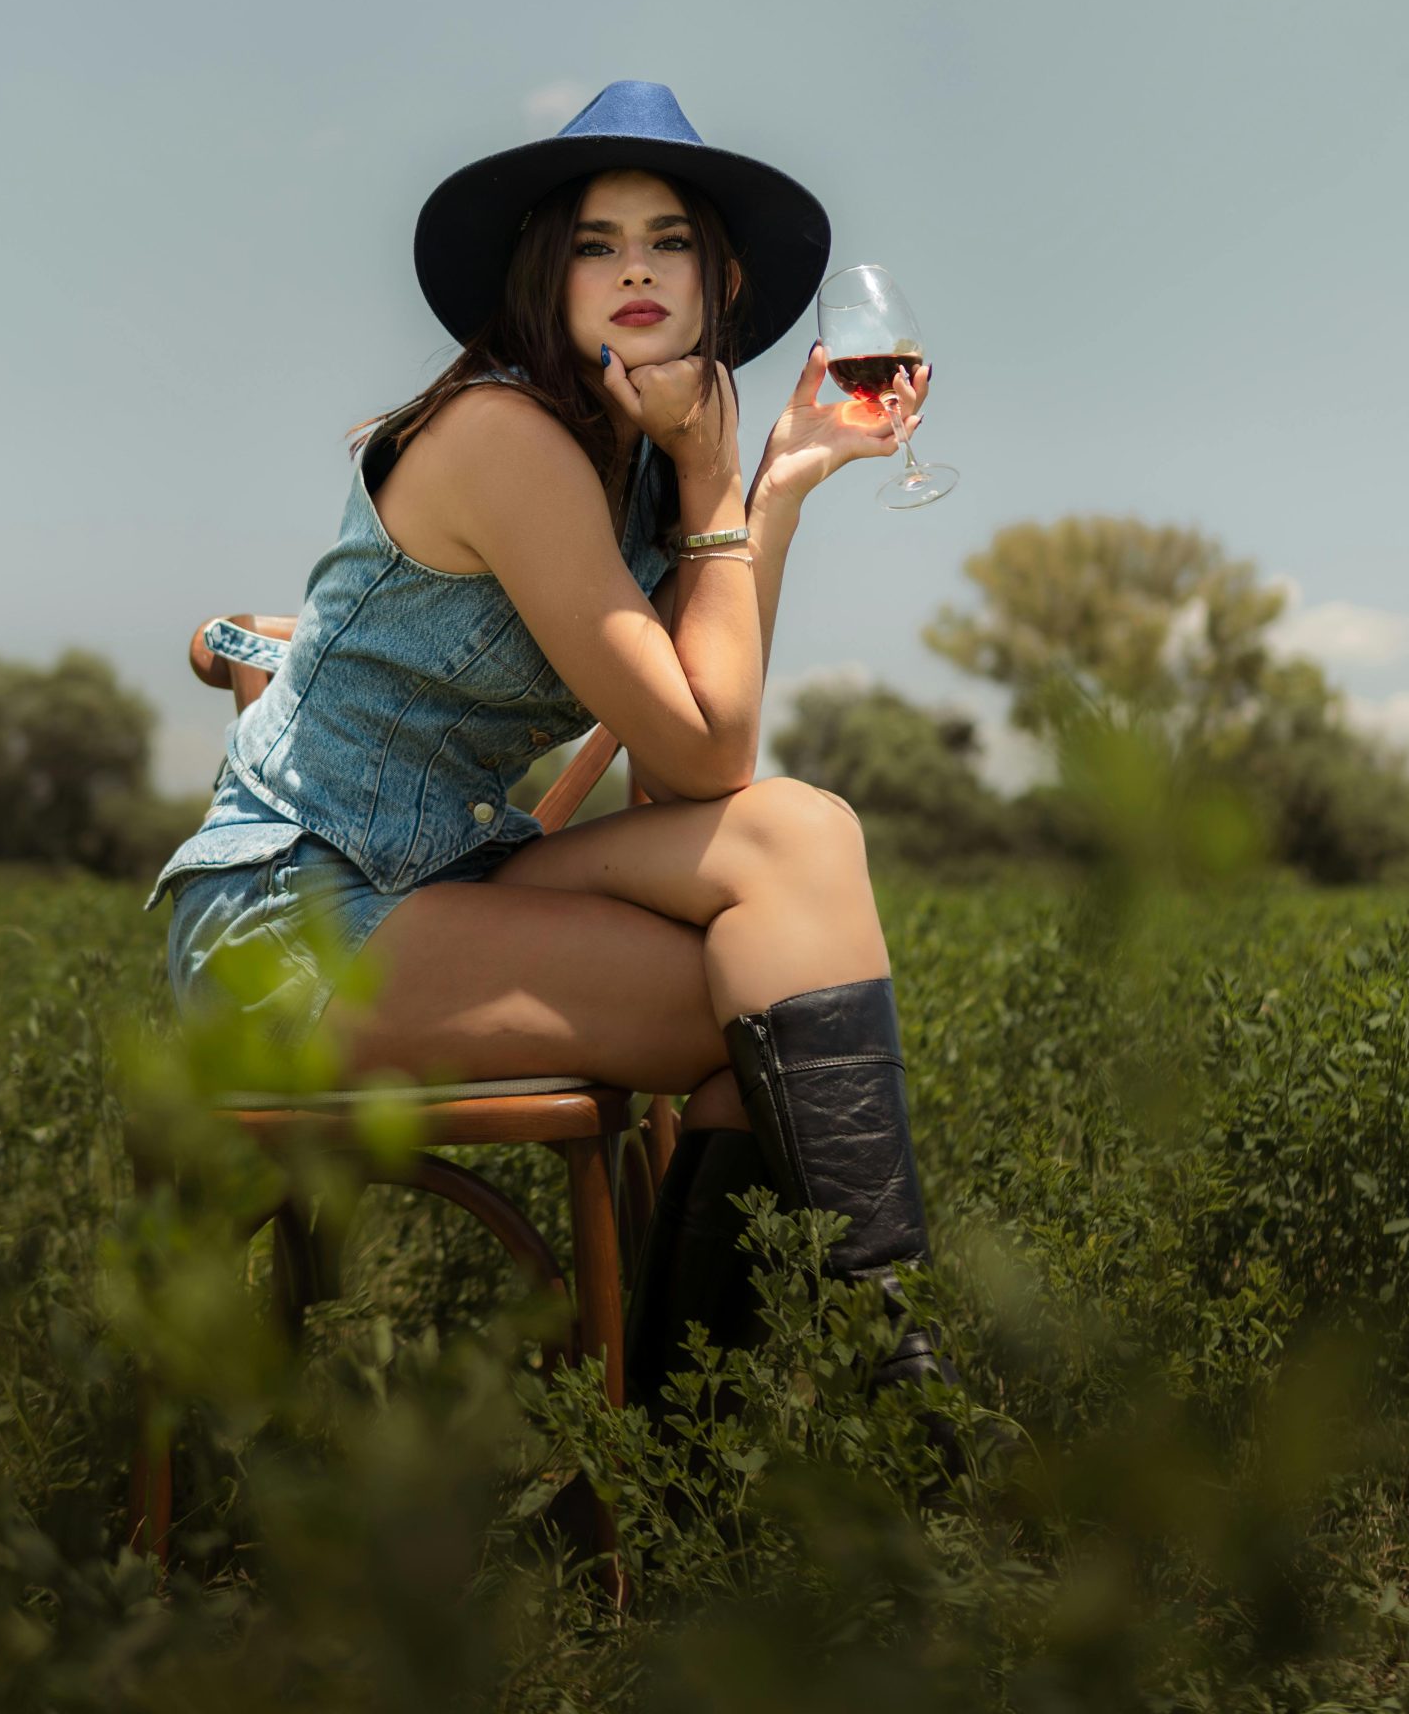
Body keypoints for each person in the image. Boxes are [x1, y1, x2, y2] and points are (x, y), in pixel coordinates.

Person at [145, 79, 951, 1413]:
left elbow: (690, 765)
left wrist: (777, 485)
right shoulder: (506, 436)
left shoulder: (636, 471)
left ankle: (846, 1389)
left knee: (801, 841)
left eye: (669, 240)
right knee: (759, 1012)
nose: (634, 266)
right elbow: (697, 759)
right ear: (547, 275)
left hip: (444, 883)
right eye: (595, 242)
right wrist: (718, 489)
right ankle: (787, 1421)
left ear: (723, 282)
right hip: (291, 920)